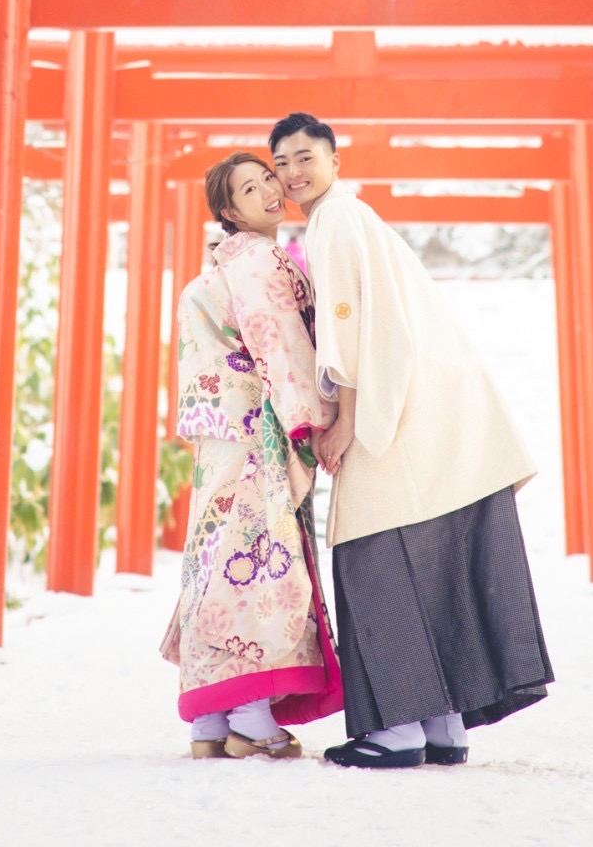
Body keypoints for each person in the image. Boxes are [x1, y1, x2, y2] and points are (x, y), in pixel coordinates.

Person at [274, 111, 553, 770]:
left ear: (334, 161)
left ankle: (397, 728)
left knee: (372, 557)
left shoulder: (336, 220)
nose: (293, 171)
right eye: (281, 162)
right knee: (430, 556)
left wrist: (343, 418)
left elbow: (349, 325)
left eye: (305, 156)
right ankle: (443, 722)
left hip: (389, 401)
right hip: (434, 399)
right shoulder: (352, 216)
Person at [160, 151, 343, 759]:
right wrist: (313, 420)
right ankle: (252, 712)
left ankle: (210, 722)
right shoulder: (260, 260)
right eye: (249, 187)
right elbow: (279, 343)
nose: (269, 189)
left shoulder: (223, 266)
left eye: (268, 178)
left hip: (220, 432)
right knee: (262, 559)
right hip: (256, 430)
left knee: (216, 554)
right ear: (228, 212)